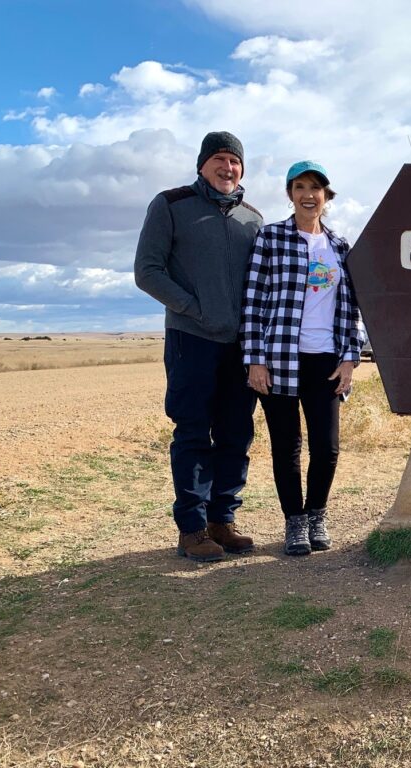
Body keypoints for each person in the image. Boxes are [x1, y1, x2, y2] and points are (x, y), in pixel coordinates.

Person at [134, 131, 263, 562]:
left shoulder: (252, 219)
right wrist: (193, 308)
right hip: (191, 339)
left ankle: (222, 521)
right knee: (192, 432)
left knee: (235, 432)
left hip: (239, 345)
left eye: (235, 161)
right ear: (202, 165)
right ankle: (191, 528)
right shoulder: (170, 205)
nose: (228, 168)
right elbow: (147, 270)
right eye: (220, 160)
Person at [240, 161, 361, 556]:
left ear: (327, 196)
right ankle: (294, 523)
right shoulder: (271, 238)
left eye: (316, 187)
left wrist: (349, 359)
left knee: (326, 448)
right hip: (279, 359)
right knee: (286, 446)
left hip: (325, 360)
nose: (308, 194)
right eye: (300, 186)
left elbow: (352, 307)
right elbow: (254, 301)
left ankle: (316, 515)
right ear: (290, 194)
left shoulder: (340, 247)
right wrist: (255, 359)